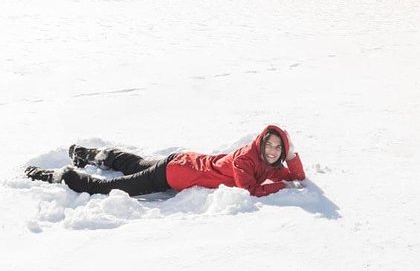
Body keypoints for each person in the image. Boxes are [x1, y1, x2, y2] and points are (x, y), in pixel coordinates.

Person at [24, 125, 305, 198]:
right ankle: (61, 176)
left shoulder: (266, 161)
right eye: (269, 144)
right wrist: (281, 188)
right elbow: (251, 190)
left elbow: (295, 176)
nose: (272, 150)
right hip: (175, 174)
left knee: (136, 165)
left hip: (182, 161)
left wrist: (292, 157)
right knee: (107, 189)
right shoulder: (246, 159)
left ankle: (93, 154)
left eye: (278, 147)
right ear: (261, 142)